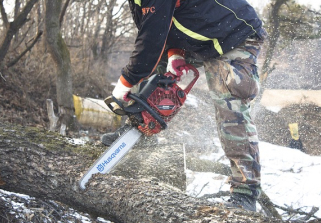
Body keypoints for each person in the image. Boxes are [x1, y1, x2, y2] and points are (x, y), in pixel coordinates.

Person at [102, 0, 267, 212]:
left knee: (230, 106)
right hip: (202, 37)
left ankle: (246, 192)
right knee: (157, 67)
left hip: (235, 34)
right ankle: (140, 127)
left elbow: (149, 43)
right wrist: (175, 54)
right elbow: (162, 29)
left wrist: (124, 84)